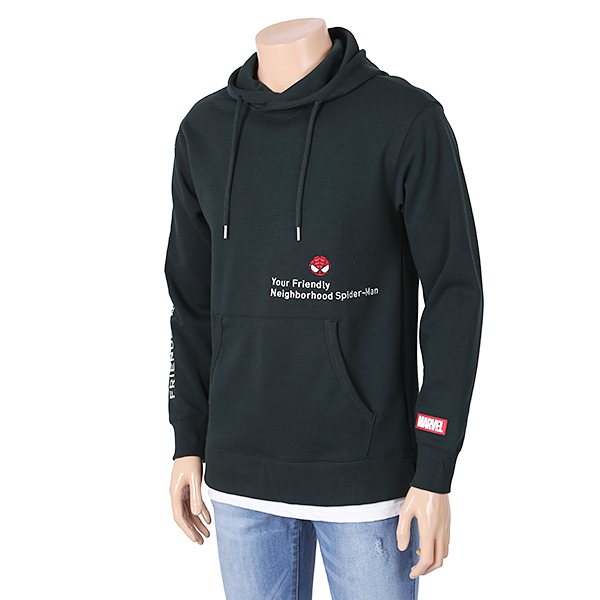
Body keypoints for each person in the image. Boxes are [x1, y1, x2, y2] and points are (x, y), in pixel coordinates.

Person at [165, 18, 483, 600]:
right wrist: (188, 436)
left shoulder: (405, 119)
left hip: (366, 482)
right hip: (239, 477)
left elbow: (454, 294)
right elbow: (189, 302)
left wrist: (436, 464)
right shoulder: (204, 129)